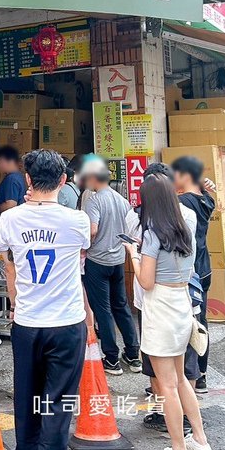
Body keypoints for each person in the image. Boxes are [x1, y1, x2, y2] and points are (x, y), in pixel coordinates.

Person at [0, 149, 93, 450]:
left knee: (28, 397)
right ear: (64, 181)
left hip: (26, 322)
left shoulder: (10, 219)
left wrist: (17, 301)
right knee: (58, 403)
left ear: (27, 180)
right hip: (66, 323)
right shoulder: (77, 221)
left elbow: (8, 266)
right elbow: (82, 251)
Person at [125, 173, 212, 450]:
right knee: (180, 380)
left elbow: (146, 282)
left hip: (160, 307)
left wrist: (132, 255)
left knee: (167, 386)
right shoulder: (185, 228)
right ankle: (199, 440)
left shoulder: (151, 234)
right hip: (182, 304)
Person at [81, 158, 142, 375]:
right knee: (121, 307)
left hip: (97, 261)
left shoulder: (94, 201)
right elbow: (130, 230)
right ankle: (134, 355)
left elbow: (93, 229)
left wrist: (83, 245)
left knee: (103, 310)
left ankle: (112, 358)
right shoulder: (122, 200)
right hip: (117, 260)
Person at [172, 155, 215, 394]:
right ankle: (203, 373)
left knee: (189, 322)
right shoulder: (206, 200)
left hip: (191, 271)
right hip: (205, 267)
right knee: (202, 321)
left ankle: (192, 376)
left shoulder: (184, 202)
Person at [0, 145, 27, 214]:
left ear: (10, 161)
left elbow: (10, 205)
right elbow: (8, 196)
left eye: (0, 161)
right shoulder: (17, 176)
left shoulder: (12, 179)